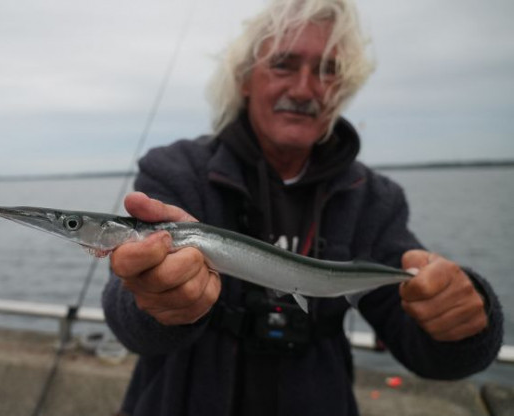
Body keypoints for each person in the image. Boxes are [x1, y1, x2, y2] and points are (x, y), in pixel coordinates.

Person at [102, 0, 504, 415]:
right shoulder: (176, 172)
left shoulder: (373, 199)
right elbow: (128, 317)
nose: (304, 90)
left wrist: (462, 318)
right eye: (283, 64)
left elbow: (429, 350)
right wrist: (154, 298)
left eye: (328, 70)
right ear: (244, 79)